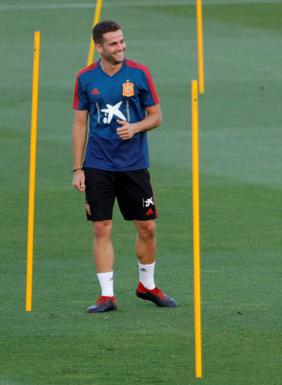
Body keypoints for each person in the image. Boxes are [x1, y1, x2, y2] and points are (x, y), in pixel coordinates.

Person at [72, 20, 176, 313]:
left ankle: (147, 286)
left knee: (147, 227)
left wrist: (135, 127)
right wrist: (77, 169)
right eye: (114, 43)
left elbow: (156, 116)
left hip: (134, 164)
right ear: (99, 47)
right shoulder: (85, 78)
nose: (121, 47)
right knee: (101, 228)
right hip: (98, 164)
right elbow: (80, 123)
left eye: (122, 41)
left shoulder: (139, 74)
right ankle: (107, 296)